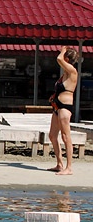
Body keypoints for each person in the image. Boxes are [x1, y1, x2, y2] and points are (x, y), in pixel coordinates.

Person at [47, 46, 79, 175]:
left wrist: (63, 50)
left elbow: (59, 59)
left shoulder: (72, 71)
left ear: (67, 59)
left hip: (65, 107)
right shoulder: (65, 73)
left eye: (64, 56)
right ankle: (59, 164)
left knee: (66, 136)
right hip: (57, 105)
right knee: (52, 135)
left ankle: (69, 167)